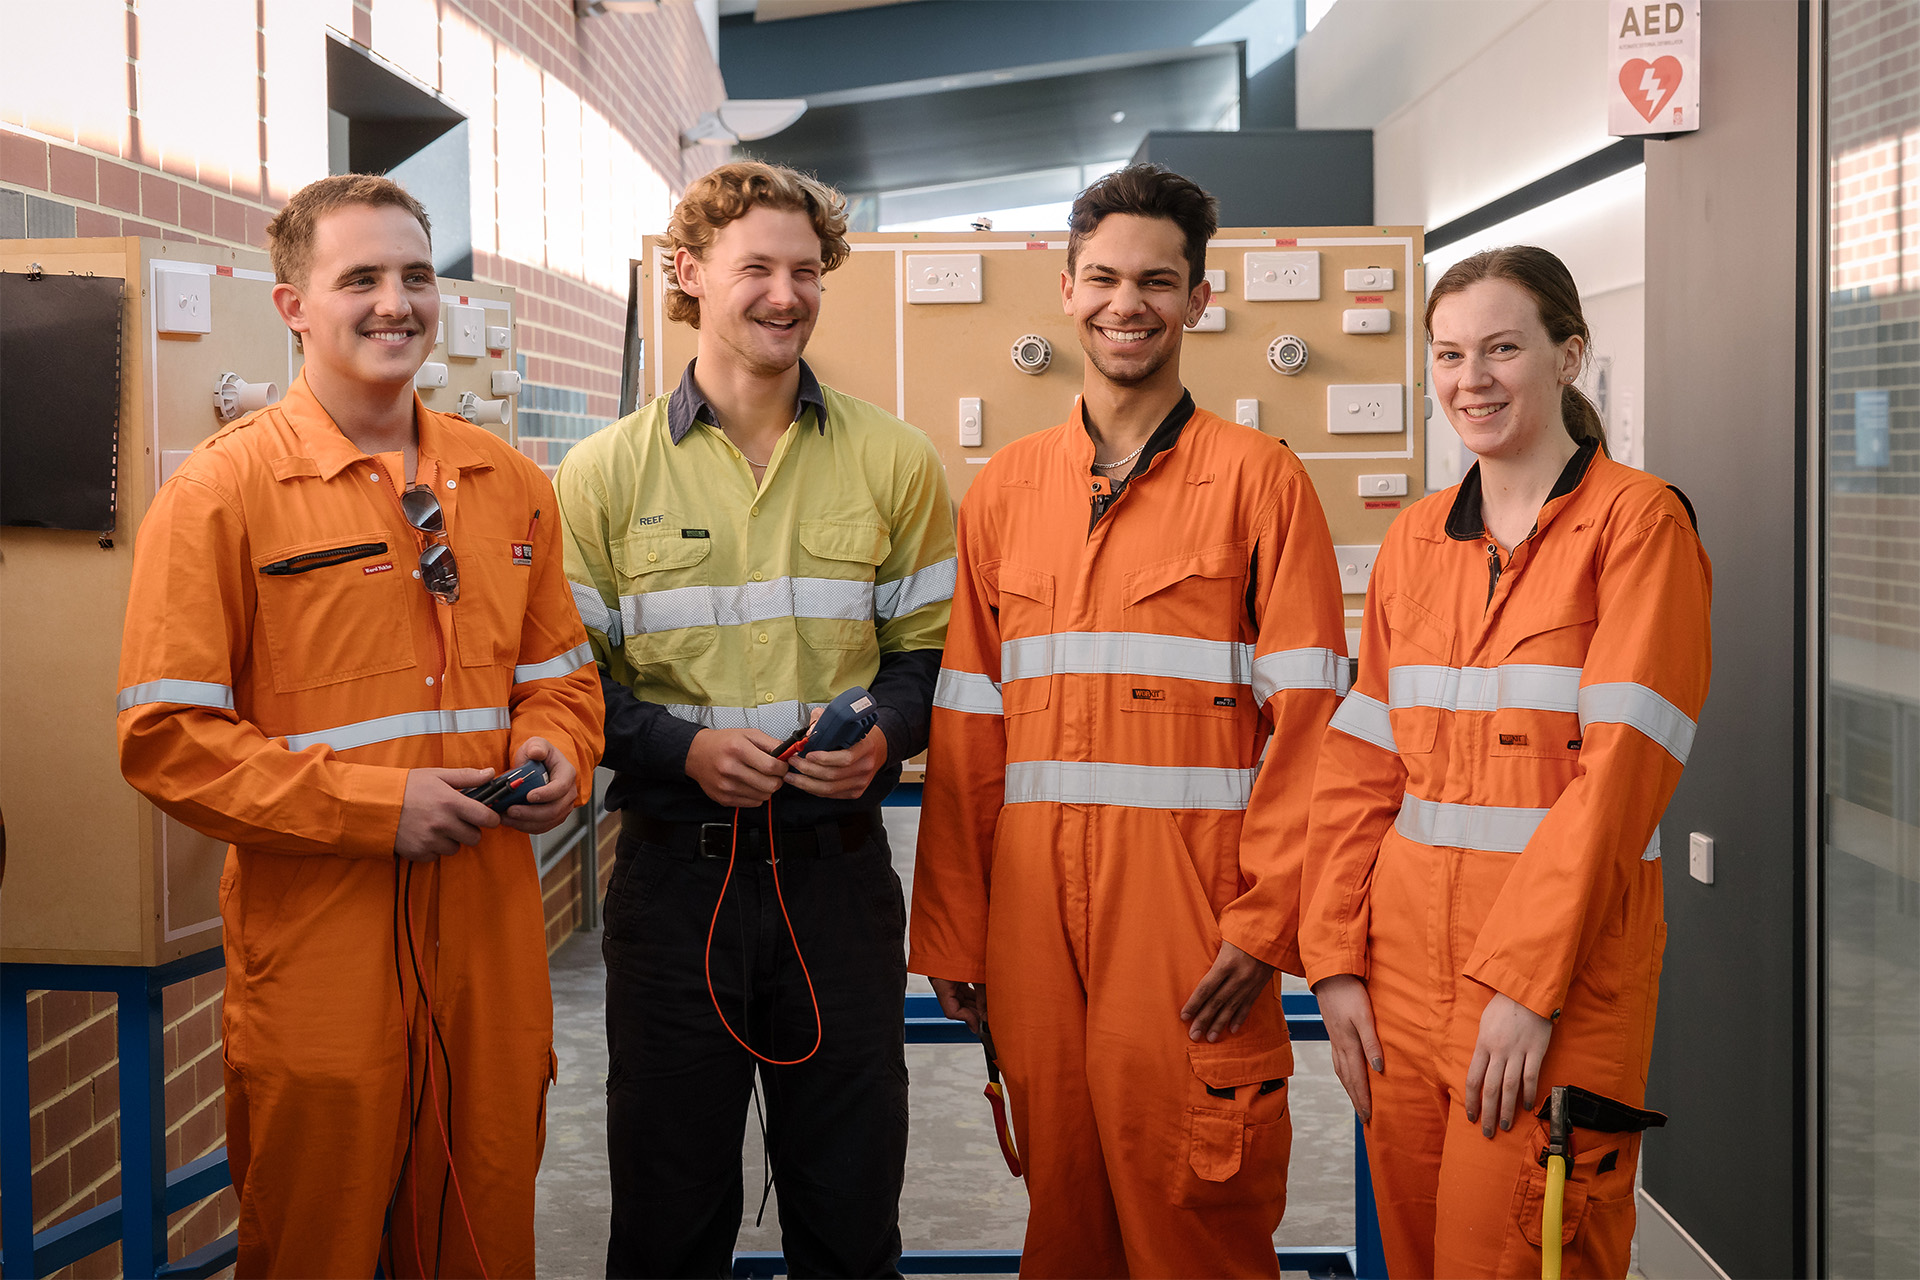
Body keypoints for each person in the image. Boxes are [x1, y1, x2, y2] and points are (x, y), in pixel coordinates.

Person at [115, 174, 604, 1276]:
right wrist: (377, 808)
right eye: (362, 278)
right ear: (292, 305)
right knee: (317, 1242)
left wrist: (556, 751)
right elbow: (165, 737)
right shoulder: (221, 495)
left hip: (487, 943)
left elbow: (562, 678)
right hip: (321, 952)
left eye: (417, 275)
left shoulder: (511, 482)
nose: (397, 302)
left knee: (482, 1226)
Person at [910, 164, 1349, 1278]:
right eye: (1103, 277)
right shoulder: (1004, 491)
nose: (1127, 303)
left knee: (1195, 1199)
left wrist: (1264, 923)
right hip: (1031, 927)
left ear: (1199, 298)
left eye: (1158, 280)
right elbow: (969, 721)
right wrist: (958, 927)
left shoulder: (1261, 483)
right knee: (1062, 1206)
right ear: (1065, 289)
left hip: (1192, 919)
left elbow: (1312, 726)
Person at [555, 160, 955, 1279]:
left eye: (807, 270)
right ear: (688, 274)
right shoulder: (599, 476)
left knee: (850, 1210)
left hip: (838, 883)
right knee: (669, 1218)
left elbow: (927, 657)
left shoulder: (894, 458)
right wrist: (680, 747)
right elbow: (568, 687)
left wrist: (885, 731)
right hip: (675, 887)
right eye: (758, 268)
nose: (787, 293)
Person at [1303, 245, 1712, 1279]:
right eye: (1448, 353)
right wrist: (1335, 956)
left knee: (1522, 1254)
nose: (1470, 378)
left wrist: (1528, 985)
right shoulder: (1413, 543)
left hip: (1551, 987)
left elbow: (1618, 778)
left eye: (1500, 348)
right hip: (1398, 978)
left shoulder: (1638, 525)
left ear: (1567, 355)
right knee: (1416, 1254)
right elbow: (1364, 762)